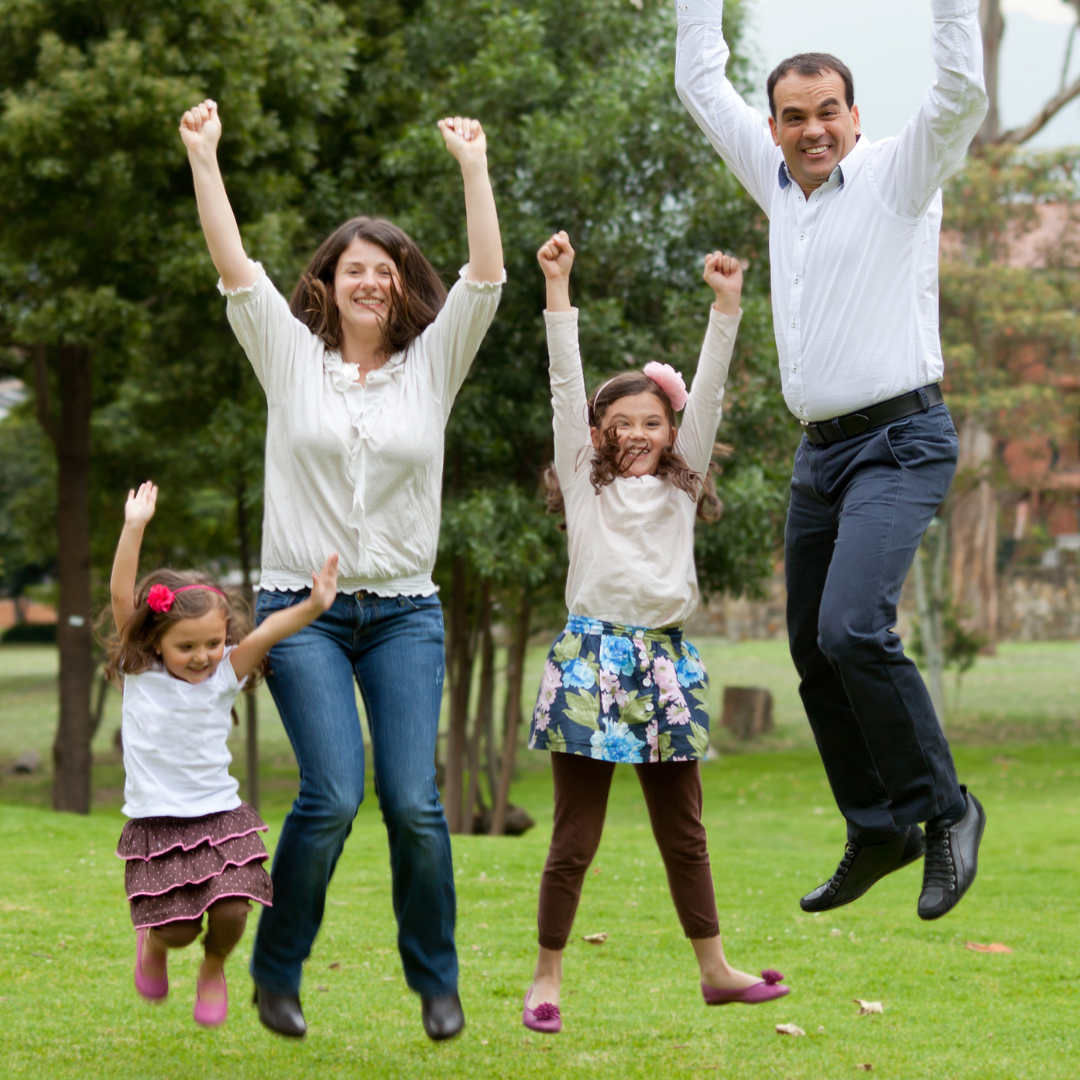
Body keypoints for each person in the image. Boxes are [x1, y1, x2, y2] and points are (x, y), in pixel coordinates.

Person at [179, 99, 503, 1041]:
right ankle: (278, 976)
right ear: (328, 281)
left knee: (413, 801)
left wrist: (472, 171)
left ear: (404, 287)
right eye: (352, 269)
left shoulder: (432, 367)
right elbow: (233, 269)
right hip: (298, 611)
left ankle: (435, 982)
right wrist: (205, 159)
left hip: (404, 613)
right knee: (330, 794)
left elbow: (484, 278)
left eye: (385, 270)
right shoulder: (289, 356)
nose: (369, 281)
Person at [674, 0, 987, 920]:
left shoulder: (899, 174)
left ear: (855, 116)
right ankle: (878, 825)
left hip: (901, 442)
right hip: (823, 459)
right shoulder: (774, 182)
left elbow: (962, 89)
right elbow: (700, 82)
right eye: (795, 116)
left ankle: (947, 813)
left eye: (829, 112)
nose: (813, 130)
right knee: (812, 647)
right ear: (775, 127)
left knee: (854, 628)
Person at [520, 230, 789, 1035]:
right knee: (575, 837)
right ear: (597, 432)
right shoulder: (586, 483)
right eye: (619, 422)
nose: (636, 432)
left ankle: (715, 970)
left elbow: (706, 392)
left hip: (664, 666)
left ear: (672, 433)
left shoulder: (682, 486)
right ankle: (547, 979)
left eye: (651, 421)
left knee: (686, 832)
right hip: (589, 660)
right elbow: (565, 380)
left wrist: (726, 306)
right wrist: (558, 289)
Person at [109, 481, 338, 1028]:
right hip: (159, 824)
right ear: (157, 642)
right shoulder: (140, 674)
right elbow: (121, 595)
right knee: (178, 927)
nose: (201, 657)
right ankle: (159, 948)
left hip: (218, 816)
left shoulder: (223, 675)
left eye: (211, 644)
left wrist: (314, 605)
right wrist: (134, 525)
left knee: (235, 906)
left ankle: (215, 969)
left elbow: (267, 633)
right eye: (186, 647)